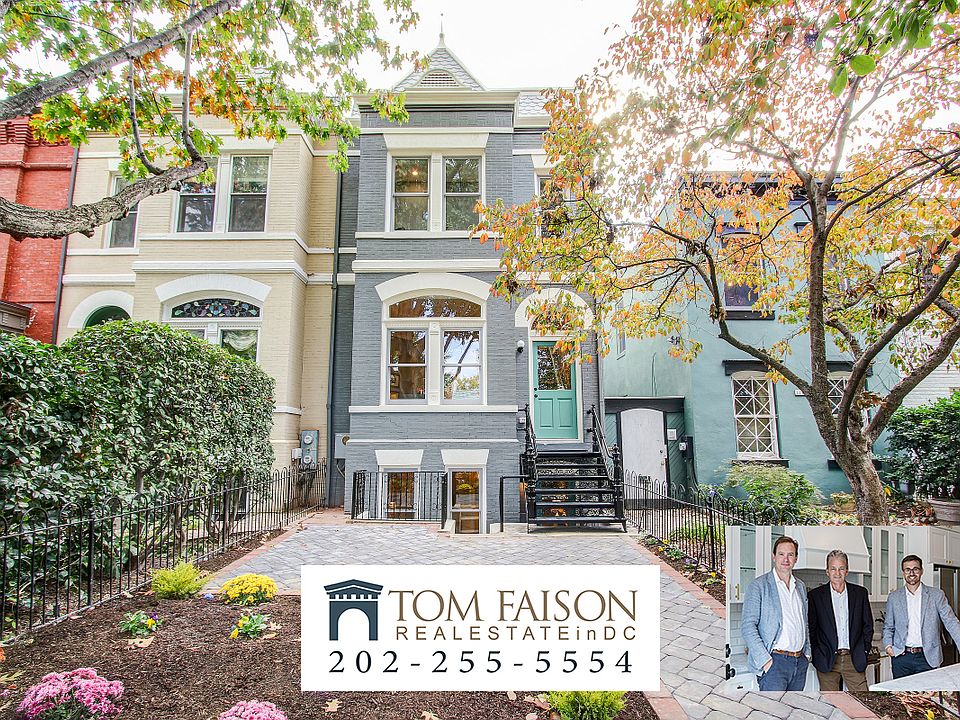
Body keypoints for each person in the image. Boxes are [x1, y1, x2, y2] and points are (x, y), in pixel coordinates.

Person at [741, 535, 811, 691]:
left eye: (790, 554)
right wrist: (766, 662)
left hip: (800, 662)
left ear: (796, 558)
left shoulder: (800, 586)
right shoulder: (759, 586)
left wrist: (807, 654)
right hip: (774, 663)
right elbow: (747, 626)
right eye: (781, 554)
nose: (786, 559)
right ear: (774, 556)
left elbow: (804, 623)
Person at [882, 555, 960, 679]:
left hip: (928, 657)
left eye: (915, 569)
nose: (911, 573)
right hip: (901, 657)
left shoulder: (936, 595)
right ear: (903, 573)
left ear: (921, 571)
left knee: (929, 691)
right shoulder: (894, 597)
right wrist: (888, 647)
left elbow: (951, 622)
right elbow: (888, 626)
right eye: (907, 570)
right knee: (902, 691)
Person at [807, 549, 873, 691]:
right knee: (831, 702)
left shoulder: (860, 593)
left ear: (847, 571)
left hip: (853, 659)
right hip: (827, 659)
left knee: (864, 700)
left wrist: (865, 650)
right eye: (833, 569)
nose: (837, 573)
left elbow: (868, 625)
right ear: (827, 571)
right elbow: (811, 629)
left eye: (841, 568)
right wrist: (817, 653)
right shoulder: (815, 596)